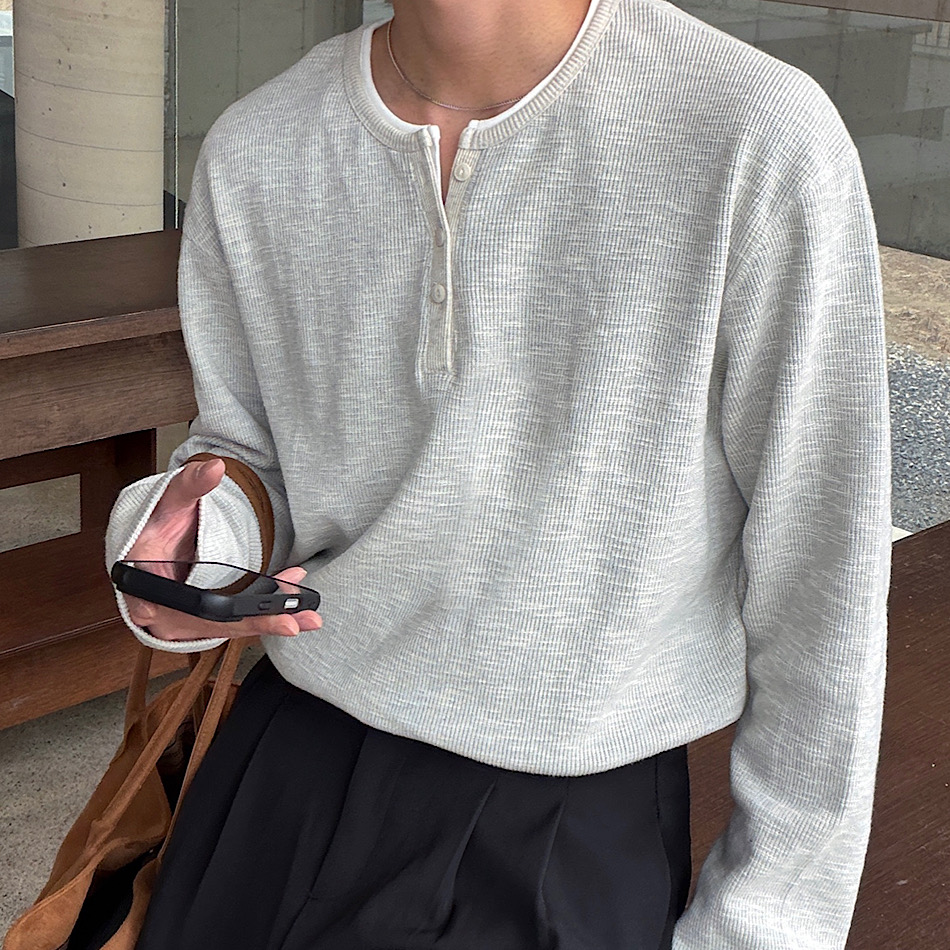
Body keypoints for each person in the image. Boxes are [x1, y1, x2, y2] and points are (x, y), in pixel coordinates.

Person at [105, 0, 892, 947]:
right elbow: (248, 446)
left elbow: (825, 576)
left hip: (564, 816)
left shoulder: (753, 133)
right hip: (285, 757)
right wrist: (197, 550)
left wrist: (765, 924)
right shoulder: (259, 142)